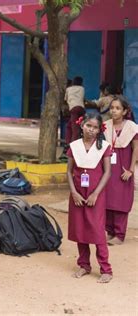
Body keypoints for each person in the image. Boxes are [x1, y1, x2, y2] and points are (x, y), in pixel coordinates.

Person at [66, 112, 113, 283]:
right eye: (88, 126)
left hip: (96, 194)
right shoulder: (74, 146)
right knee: (80, 228)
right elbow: (69, 172)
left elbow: (107, 172)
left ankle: (105, 268)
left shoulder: (104, 147)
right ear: (81, 125)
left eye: (95, 127)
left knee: (97, 229)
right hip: (78, 194)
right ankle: (84, 264)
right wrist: (73, 192)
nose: (91, 130)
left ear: (100, 129)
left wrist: (96, 193)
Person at [103, 96, 138, 245]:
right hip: (108, 167)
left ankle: (119, 234)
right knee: (107, 200)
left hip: (123, 167)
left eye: (117, 108)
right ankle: (109, 232)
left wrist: (130, 170)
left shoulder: (131, 127)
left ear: (124, 111)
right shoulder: (105, 126)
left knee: (121, 201)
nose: (114, 111)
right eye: (112, 108)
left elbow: (136, 148)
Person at [65, 76, 86, 144]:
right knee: (78, 126)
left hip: (73, 109)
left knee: (74, 129)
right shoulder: (82, 88)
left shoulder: (68, 89)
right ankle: (70, 142)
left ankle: (73, 145)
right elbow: (82, 98)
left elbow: (65, 99)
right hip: (81, 109)